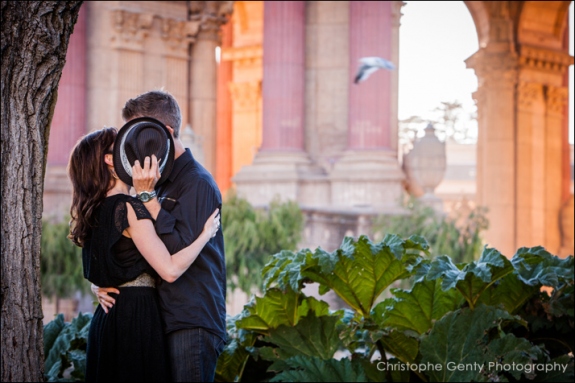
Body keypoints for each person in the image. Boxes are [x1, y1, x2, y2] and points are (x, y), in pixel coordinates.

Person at [68, 124, 220, 382]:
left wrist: (98, 285)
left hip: (106, 322)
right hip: (135, 320)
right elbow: (170, 270)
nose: (133, 150)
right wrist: (205, 235)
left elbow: (107, 263)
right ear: (109, 160)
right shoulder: (128, 208)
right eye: (123, 146)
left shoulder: (93, 212)